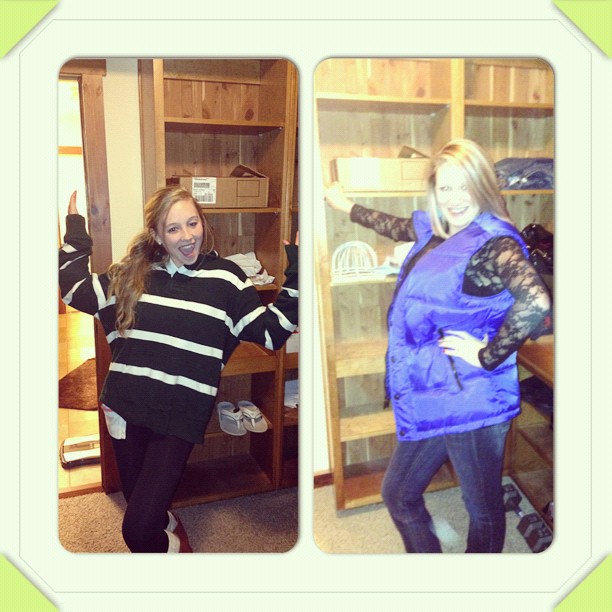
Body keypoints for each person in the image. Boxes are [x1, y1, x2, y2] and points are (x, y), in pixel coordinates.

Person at [324, 138, 551, 553]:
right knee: (398, 494)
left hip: (472, 400)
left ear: (483, 186)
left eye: (465, 185)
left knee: (481, 508)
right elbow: (396, 226)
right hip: (435, 391)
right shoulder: (439, 230)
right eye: (445, 187)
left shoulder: (494, 242)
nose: (455, 197)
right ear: (434, 190)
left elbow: (536, 301)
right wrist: (346, 206)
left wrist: (486, 356)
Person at [59, 186, 298, 553]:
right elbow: (74, 289)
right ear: (157, 235)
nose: (187, 236)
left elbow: (270, 332)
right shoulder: (132, 273)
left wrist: (297, 275)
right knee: (138, 502)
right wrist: (76, 230)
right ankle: (165, 525)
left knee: (137, 532)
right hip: (124, 408)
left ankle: (170, 548)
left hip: (179, 416)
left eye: (193, 223)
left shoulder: (226, 278)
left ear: (203, 223)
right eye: (173, 228)